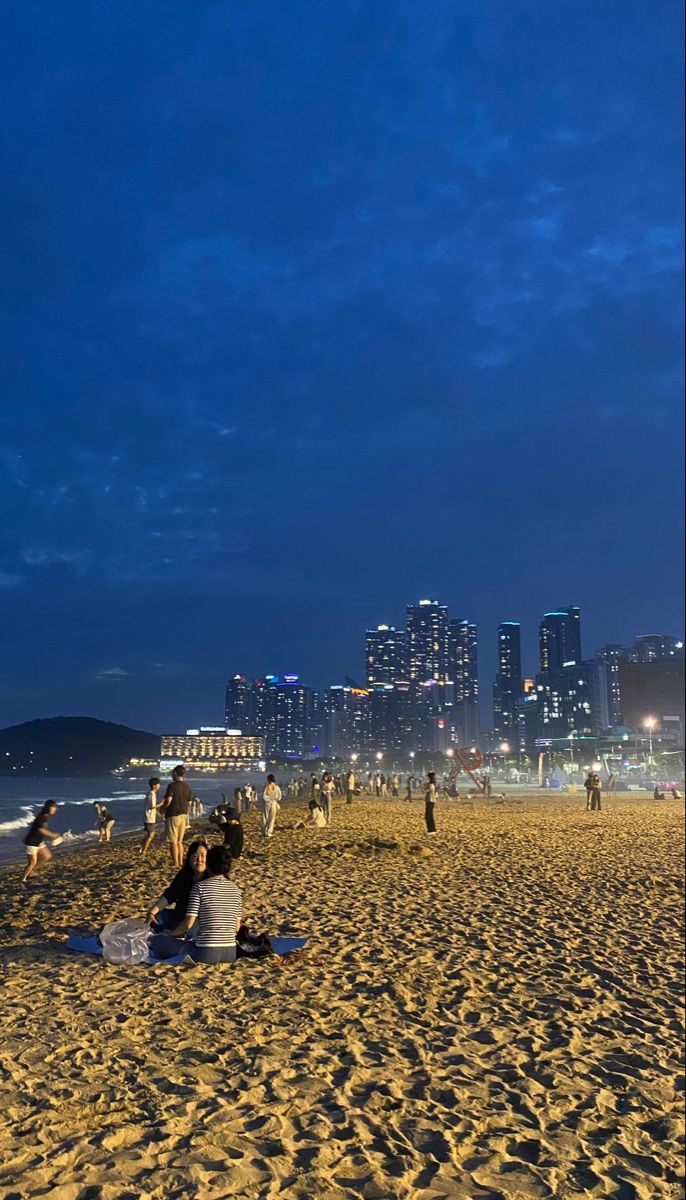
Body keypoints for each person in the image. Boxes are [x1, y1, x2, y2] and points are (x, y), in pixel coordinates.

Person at [150, 844, 243, 964]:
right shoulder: (236, 890)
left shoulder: (200, 888)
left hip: (206, 953)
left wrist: (170, 934)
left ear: (208, 864)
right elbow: (236, 927)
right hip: (230, 953)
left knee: (157, 942)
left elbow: (187, 925)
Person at [146, 839, 208, 930]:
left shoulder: (211, 878)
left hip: (198, 920)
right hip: (179, 914)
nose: (199, 860)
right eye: (195, 856)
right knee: (157, 918)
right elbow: (170, 895)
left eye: (203, 856)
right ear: (189, 859)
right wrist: (152, 912)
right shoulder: (184, 875)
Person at [161, 764, 193, 869]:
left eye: (172, 773)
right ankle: (180, 861)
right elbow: (189, 803)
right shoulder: (187, 787)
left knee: (173, 842)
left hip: (173, 814)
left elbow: (169, 800)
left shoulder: (172, 786)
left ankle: (176, 863)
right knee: (180, 841)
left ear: (175, 773)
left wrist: (163, 808)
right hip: (184, 815)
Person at [22, 801, 61, 883]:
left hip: (38, 841)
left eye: (55, 807)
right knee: (32, 862)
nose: (55, 809)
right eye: (53, 807)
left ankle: (32, 871)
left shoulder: (43, 816)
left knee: (47, 856)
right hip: (32, 842)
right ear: (48, 807)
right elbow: (41, 829)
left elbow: (38, 826)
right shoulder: (42, 817)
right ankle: (23, 878)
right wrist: (53, 835)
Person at [139, 777, 162, 856]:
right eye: (158, 784)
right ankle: (143, 850)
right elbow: (152, 806)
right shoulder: (152, 794)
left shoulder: (151, 793)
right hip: (149, 818)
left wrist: (160, 815)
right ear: (154, 785)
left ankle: (141, 848)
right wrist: (162, 803)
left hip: (149, 817)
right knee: (151, 834)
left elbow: (151, 808)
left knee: (149, 834)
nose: (159, 785)